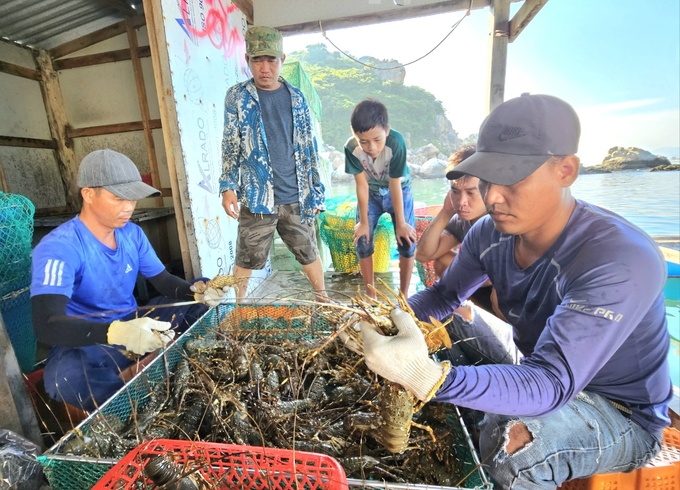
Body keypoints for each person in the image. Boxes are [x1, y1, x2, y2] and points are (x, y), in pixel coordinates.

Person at [359, 94, 671, 489]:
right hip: (537, 369)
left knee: (514, 442)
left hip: (619, 411)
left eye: (511, 177)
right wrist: (383, 319)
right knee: (442, 326)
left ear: (566, 170)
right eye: (488, 177)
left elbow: (551, 383)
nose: (491, 196)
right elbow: (442, 298)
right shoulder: (489, 233)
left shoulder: (620, 259)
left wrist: (430, 378)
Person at [31, 149, 226, 412]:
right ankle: (136, 404)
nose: (128, 208)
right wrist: (114, 332)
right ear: (88, 194)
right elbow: (46, 325)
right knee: (64, 378)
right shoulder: (59, 247)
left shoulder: (132, 234)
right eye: (118, 198)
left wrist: (199, 292)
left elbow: (165, 282)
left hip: (137, 322)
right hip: (94, 339)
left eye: (133, 199)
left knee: (199, 289)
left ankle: (168, 357)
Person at [219, 26, 326, 301]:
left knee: (308, 251)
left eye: (271, 60)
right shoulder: (238, 96)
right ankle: (238, 308)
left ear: (282, 60)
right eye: (257, 60)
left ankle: (323, 298)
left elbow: (308, 148)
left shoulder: (298, 98)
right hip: (257, 197)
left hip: (296, 195)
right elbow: (230, 144)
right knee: (246, 256)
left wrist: (316, 192)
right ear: (247, 60)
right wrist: (227, 186)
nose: (264, 68)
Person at [345, 99, 417, 298]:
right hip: (371, 193)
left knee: (407, 241)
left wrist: (401, 223)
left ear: (387, 130)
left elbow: (395, 183)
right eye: (364, 141)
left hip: (400, 190)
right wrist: (364, 223)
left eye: (377, 139)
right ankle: (371, 296)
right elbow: (361, 185)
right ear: (354, 135)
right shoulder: (351, 148)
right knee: (363, 239)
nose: (372, 147)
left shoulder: (396, 142)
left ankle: (403, 298)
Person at [415, 145, 497, 313]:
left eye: (471, 193)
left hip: (506, 295)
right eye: (455, 191)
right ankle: (465, 309)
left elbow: (497, 277)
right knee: (442, 259)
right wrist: (446, 212)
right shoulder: (461, 221)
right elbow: (423, 254)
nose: (462, 202)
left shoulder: (501, 221)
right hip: (477, 288)